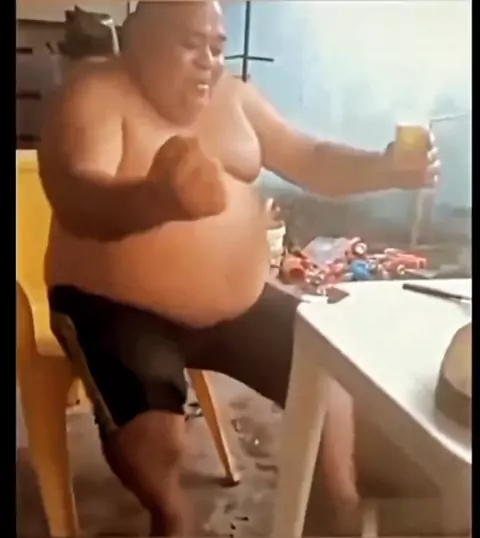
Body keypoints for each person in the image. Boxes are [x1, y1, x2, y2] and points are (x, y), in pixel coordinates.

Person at [39, 1, 440, 535]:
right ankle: (170, 513)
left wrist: (385, 168)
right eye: (190, 44)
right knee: (158, 436)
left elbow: (310, 158)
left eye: (216, 46)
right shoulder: (96, 92)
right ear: (137, 43)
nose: (208, 60)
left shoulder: (235, 97)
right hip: (114, 303)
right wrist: (157, 199)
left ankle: (334, 509)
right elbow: (77, 197)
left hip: (239, 305)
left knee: (325, 368)